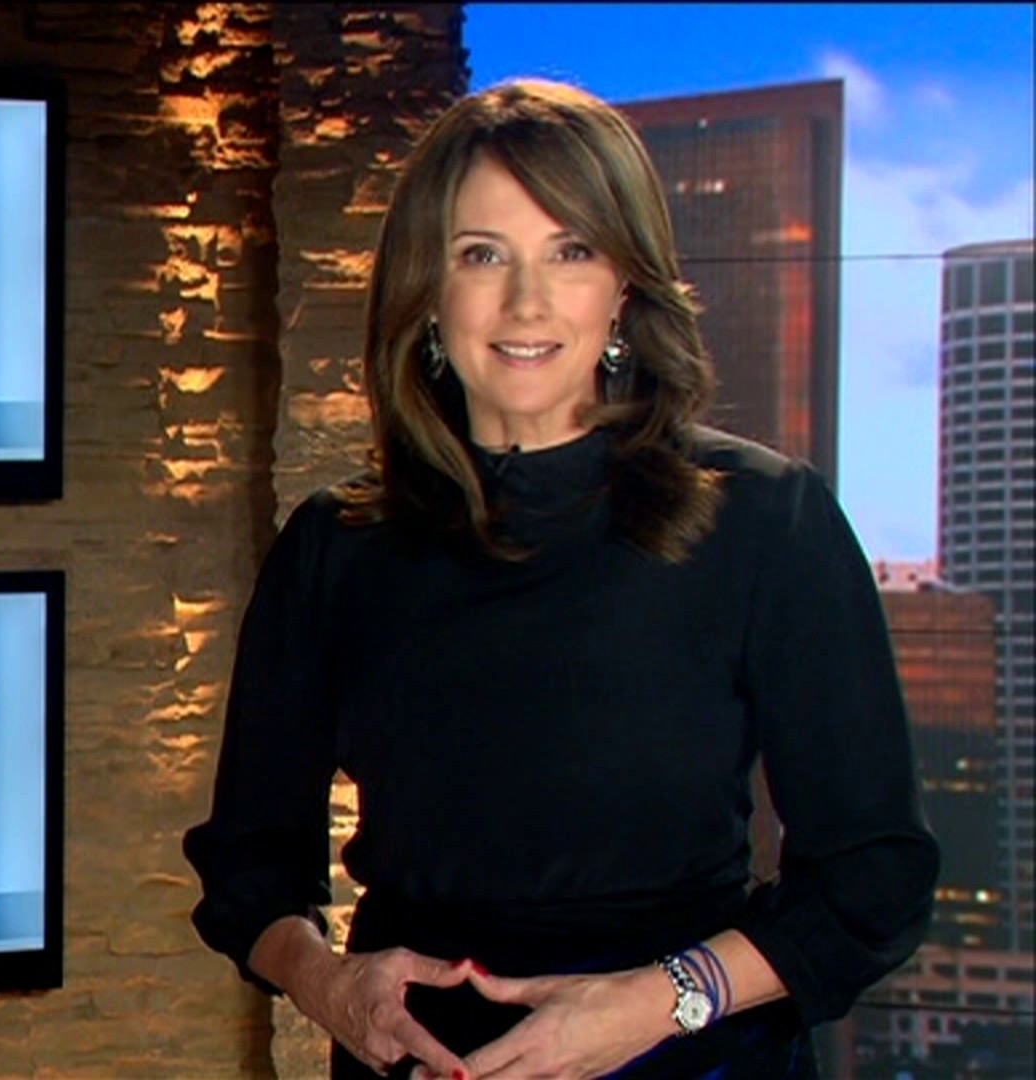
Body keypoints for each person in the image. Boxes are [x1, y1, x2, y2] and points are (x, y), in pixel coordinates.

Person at [183, 79, 938, 1080]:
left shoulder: (764, 521)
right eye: (482, 255)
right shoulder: (337, 548)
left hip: (688, 1058)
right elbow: (248, 865)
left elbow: (872, 879)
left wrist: (657, 1003)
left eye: (571, 251)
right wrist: (328, 984)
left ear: (624, 287)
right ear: (427, 290)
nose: (527, 304)